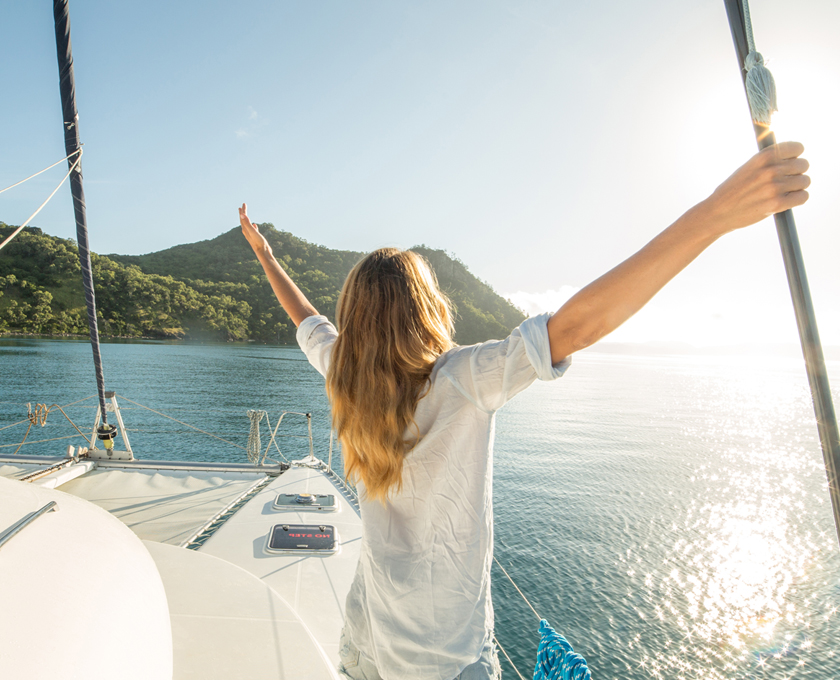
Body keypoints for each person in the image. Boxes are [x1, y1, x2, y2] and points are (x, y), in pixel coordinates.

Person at [239, 141, 810, 680]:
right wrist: (713, 215)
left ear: (357, 317)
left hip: (370, 628)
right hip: (445, 651)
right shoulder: (463, 379)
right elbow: (577, 326)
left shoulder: (345, 373)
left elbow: (306, 317)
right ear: (426, 308)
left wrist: (265, 256)